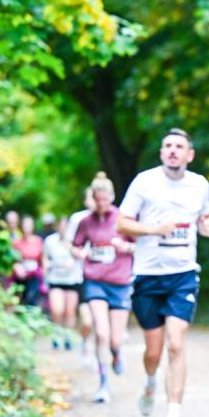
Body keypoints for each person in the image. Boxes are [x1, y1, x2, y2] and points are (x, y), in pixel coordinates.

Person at [117, 128, 209, 417]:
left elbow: (207, 219)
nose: (173, 150)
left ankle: (173, 416)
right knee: (153, 351)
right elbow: (121, 222)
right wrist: (153, 229)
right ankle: (149, 381)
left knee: (176, 343)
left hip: (183, 274)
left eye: (179, 146)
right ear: (162, 153)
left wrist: (208, 225)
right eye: (168, 146)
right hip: (147, 275)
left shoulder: (199, 184)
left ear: (190, 155)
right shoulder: (144, 182)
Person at [72, 173, 135, 403]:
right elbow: (75, 246)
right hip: (95, 281)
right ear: (93, 198)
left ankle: (117, 354)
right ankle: (103, 384)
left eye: (104, 200)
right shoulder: (86, 222)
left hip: (119, 282)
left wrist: (125, 247)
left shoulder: (124, 219)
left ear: (112, 197)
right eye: (97, 200)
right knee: (101, 332)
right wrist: (81, 253)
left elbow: (140, 247)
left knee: (115, 340)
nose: (101, 204)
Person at [42, 215, 82, 349]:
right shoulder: (50, 241)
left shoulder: (76, 239)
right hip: (55, 280)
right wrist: (47, 265)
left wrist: (71, 252)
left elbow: (82, 255)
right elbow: (45, 258)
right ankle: (57, 334)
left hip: (72, 280)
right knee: (57, 310)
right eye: (61, 226)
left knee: (70, 311)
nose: (63, 229)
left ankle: (68, 337)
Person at [68, 187, 97, 365]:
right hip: (83, 275)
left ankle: (103, 351)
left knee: (102, 322)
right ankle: (85, 341)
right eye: (92, 197)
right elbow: (70, 245)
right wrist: (81, 255)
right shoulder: (78, 219)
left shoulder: (113, 219)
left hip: (107, 277)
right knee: (88, 320)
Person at [12, 215, 43, 307]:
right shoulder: (16, 242)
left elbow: (43, 259)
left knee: (32, 300)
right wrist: (17, 267)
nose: (26, 227)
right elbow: (13, 260)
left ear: (33, 226)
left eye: (29, 224)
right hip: (20, 276)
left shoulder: (38, 241)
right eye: (25, 224)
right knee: (20, 301)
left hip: (34, 275)